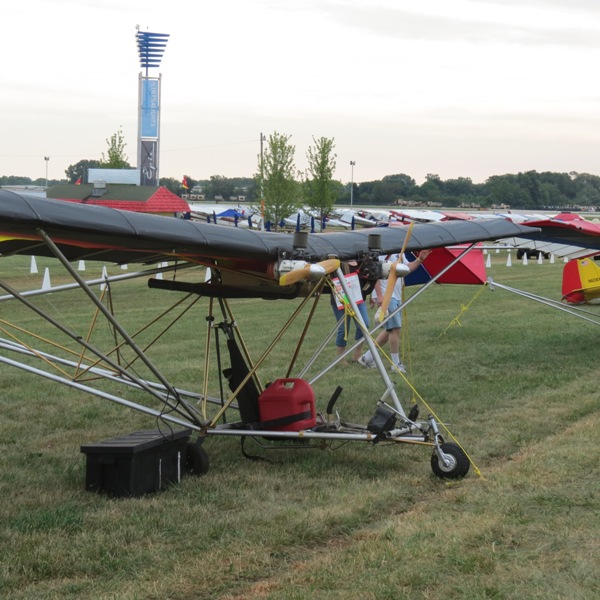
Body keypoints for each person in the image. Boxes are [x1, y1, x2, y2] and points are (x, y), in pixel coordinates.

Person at [358, 250, 431, 372]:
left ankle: (367, 357)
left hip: (396, 295)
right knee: (395, 329)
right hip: (388, 295)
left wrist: (419, 260)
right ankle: (395, 364)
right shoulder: (383, 252)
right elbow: (375, 273)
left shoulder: (399, 253)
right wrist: (380, 296)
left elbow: (406, 268)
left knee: (390, 330)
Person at [331, 261, 370, 363]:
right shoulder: (337, 262)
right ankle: (341, 358)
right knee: (343, 329)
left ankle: (357, 354)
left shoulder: (361, 259)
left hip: (357, 298)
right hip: (341, 298)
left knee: (364, 324)